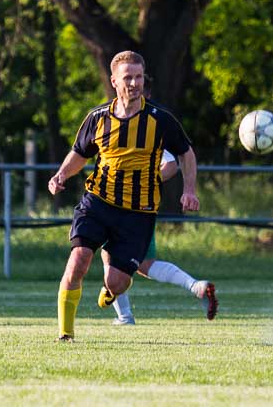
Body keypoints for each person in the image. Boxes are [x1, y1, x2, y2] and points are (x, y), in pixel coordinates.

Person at [49, 51, 200, 341]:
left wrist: (189, 190)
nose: (134, 83)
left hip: (138, 212)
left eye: (138, 77)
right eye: (128, 77)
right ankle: (65, 334)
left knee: (117, 282)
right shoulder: (98, 117)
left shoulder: (159, 119)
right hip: (98, 202)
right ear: (114, 81)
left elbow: (186, 153)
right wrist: (61, 175)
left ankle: (111, 289)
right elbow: (80, 153)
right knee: (79, 259)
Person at [105, 76, 217, 325]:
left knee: (110, 256)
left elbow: (171, 164)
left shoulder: (149, 124)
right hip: (141, 206)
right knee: (145, 264)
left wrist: (142, 180)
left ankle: (124, 316)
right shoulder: (120, 119)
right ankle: (196, 286)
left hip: (126, 205)